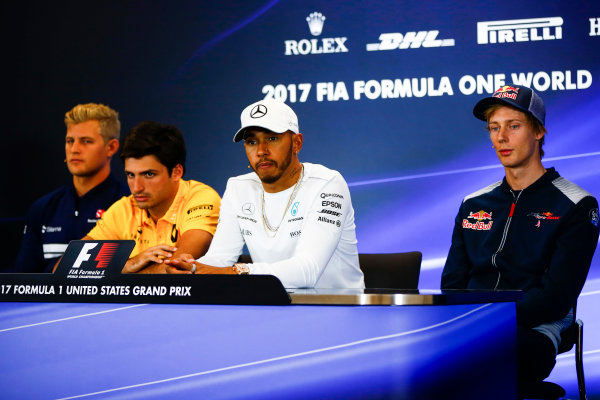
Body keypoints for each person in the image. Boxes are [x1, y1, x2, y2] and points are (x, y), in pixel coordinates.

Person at [441, 85, 599, 387]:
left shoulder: (577, 205)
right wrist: (467, 324)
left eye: (513, 126)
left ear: (538, 131)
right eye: (494, 128)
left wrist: (487, 322)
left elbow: (555, 299)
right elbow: (452, 284)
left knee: (476, 365)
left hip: (534, 331)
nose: (501, 137)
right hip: (467, 330)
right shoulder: (473, 203)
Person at [166, 99, 364, 289]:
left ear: (297, 143)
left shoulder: (327, 184)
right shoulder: (238, 187)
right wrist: (190, 267)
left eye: (272, 138)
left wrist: (238, 271)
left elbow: (308, 270)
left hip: (338, 307)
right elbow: (219, 258)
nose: (261, 151)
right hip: (276, 306)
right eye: (252, 142)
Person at [83, 121, 221, 273]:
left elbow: (175, 268)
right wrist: (130, 263)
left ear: (176, 172)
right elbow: (65, 269)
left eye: (149, 174)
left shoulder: (201, 198)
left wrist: (120, 271)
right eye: (130, 175)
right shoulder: (124, 208)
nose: (136, 188)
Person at [15, 103, 129, 273]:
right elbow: (23, 281)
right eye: (70, 141)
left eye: (86, 141)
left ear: (111, 147)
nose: (74, 150)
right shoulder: (43, 208)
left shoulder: (130, 204)